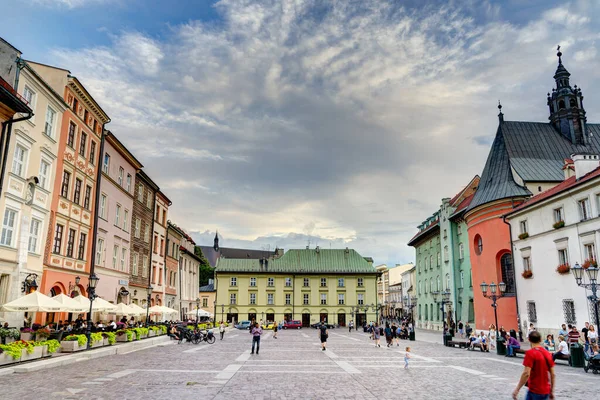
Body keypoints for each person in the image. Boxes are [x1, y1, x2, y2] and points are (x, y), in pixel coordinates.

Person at [512, 330, 555, 400]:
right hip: (546, 390)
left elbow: (526, 373)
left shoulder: (530, 353)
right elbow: (552, 374)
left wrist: (517, 389)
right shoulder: (547, 353)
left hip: (534, 390)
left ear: (529, 339)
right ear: (540, 340)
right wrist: (552, 391)